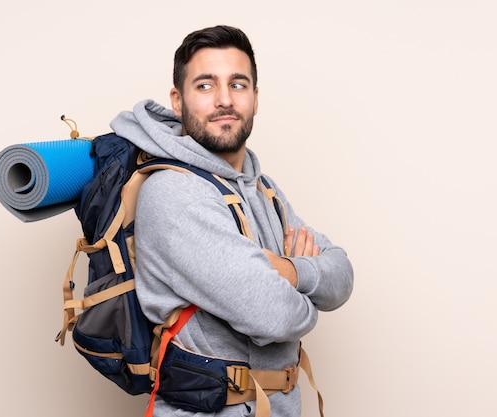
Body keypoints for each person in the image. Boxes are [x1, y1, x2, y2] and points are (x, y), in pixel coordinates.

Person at [110, 25, 354, 417]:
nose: (224, 100)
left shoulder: (263, 190)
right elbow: (276, 316)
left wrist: (288, 272)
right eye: (205, 86)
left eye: (238, 84)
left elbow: (342, 275)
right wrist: (308, 299)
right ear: (178, 100)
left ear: (255, 99)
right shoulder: (175, 194)